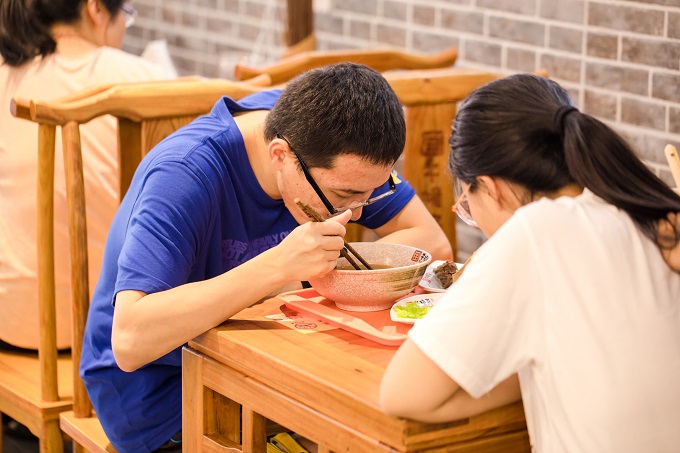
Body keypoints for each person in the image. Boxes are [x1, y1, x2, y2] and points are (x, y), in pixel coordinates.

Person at [80, 62, 453, 452]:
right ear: (280, 155)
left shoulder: (336, 135)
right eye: (344, 197)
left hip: (276, 369)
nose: (357, 213)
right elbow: (129, 339)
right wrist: (280, 265)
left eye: (371, 194)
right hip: (159, 395)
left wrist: (329, 269)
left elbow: (431, 243)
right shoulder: (185, 174)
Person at [380, 74, 680, 452]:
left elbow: (402, 394)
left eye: (469, 207)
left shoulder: (537, 232)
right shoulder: (647, 210)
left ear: (492, 188)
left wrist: (524, 378)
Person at [0, 0, 169, 350]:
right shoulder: (143, 79)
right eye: (126, 12)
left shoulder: (7, 71)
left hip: (8, 327)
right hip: (103, 337)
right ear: (95, 8)